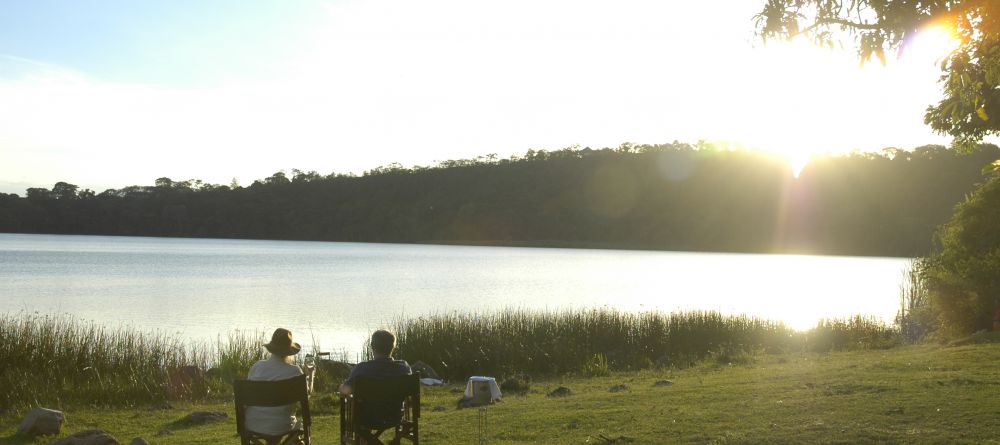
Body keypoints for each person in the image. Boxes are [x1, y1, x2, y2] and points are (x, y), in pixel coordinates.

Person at [245, 328, 315, 440]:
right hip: (282, 425)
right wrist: (310, 375)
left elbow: (247, 399)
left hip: (253, 424)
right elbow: (306, 397)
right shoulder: (294, 371)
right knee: (296, 429)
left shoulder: (256, 367)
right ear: (289, 351)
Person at [338, 329, 411, 396]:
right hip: (394, 410)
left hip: (367, 410)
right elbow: (409, 391)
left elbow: (346, 390)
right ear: (393, 347)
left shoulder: (362, 369)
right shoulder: (403, 368)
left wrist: (341, 386)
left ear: (372, 346)